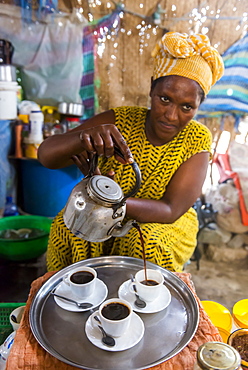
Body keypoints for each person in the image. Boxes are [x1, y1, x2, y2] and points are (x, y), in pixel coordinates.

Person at [38, 32, 224, 272]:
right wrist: (83, 138)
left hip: (164, 222)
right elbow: (46, 156)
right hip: (105, 209)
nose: (171, 115)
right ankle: (74, 301)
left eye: (187, 107)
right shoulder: (121, 121)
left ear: (198, 106)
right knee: (69, 229)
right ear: (151, 89)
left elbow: (171, 209)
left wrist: (110, 201)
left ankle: (139, 305)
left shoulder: (196, 139)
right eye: (164, 99)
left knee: (142, 240)